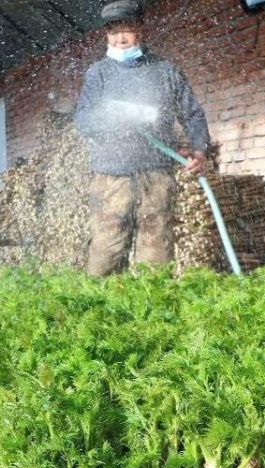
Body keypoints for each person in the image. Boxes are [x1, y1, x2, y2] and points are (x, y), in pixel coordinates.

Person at [74, 0, 211, 276]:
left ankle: (153, 311)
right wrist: (115, 121)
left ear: (140, 29)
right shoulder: (98, 73)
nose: (121, 39)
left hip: (156, 174)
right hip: (111, 177)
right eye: (114, 32)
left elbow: (193, 114)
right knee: (107, 252)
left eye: (127, 30)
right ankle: (102, 311)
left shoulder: (165, 70)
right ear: (106, 35)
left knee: (157, 250)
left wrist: (199, 151)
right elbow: (83, 120)